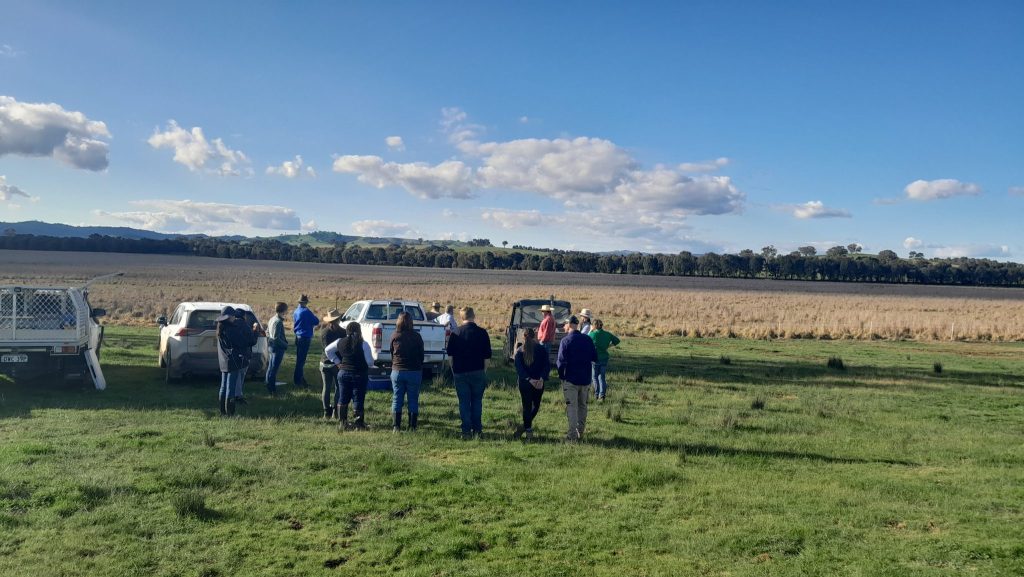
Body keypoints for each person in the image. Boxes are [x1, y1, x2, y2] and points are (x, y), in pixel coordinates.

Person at [445, 306, 492, 439]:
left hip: (460, 372)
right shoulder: (482, 333)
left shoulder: (455, 333)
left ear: (461, 317)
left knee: (464, 402)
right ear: (474, 315)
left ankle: (466, 430)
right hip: (478, 371)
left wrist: (454, 370)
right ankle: (477, 429)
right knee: (477, 401)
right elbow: (487, 357)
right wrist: (484, 370)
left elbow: (450, 357)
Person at [325, 321, 374, 430]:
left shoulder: (340, 341)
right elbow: (370, 362)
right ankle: (359, 424)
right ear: (359, 331)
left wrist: (337, 362)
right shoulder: (363, 344)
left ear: (347, 330)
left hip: (343, 373)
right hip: (359, 374)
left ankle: (343, 423)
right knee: (358, 398)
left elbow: (327, 350)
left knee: (342, 397)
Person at [557, 315, 597, 441]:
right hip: (585, 379)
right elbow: (595, 357)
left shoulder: (565, 341)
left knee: (572, 407)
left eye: (565, 324)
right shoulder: (587, 340)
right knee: (583, 406)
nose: (564, 326)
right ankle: (580, 431)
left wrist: (562, 376)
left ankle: (572, 435)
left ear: (569, 325)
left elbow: (561, 362)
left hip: (571, 379)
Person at [390, 311, 424, 432]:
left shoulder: (395, 335)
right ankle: (412, 426)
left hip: (397, 370)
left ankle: (396, 426)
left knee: (397, 398)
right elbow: (421, 355)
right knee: (413, 399)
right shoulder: (417, 336)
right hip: (414, 371)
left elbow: (391, 353)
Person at [513, 327, 550, 440]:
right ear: (534, 336)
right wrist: (541, 378)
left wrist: (529, 379)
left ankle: (527, 429)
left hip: (525, 382)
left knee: (526, 407)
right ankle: (525, 427)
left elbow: (519, 369)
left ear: (523, 337)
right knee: (536, 405)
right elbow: (546, 366)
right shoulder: (542, 349)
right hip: (539, 382)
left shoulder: (519, 351)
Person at [216, 306, 245, 416]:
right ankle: (230, 413)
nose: (234, 318)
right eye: (233, 316)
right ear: (229, 317)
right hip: (233, 360)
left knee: (223, 387)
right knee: (230, 387)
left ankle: (222, 412)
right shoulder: (232, 329)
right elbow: (241, 342)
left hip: (223, 360)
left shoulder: (220, 328)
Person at [318, 308, 347, 419]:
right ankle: (336, 411)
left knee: (326, 387)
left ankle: (326, 412)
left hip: (324, 362)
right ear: (338, 319)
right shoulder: (343, 332)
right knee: (338, 388)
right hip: (338, 363)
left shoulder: (324, 332)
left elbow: (325, 348)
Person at [588, 319, 620, 401]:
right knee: (602, 377)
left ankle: (596, 394)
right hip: (604, 358)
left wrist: (590, 330)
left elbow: (585, 339)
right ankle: (602, 396)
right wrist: (609, 346)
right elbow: (617, 340)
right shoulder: (607, 334)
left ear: (594, 326)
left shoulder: (592, 334)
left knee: (594, 377)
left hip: (595, 359)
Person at [292, 294, 319, 388]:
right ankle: (298, 380)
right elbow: (316, 321)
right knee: (301, 360)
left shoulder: (295, 311)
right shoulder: (307, 311)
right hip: (305, 337)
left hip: (298, 336)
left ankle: (298, 379)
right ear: (305, 302)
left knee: (299, 359)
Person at [232, 308, 257, 404]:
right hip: (244, 354)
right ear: (243, 316)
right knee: (240, 375)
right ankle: (238, 396)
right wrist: (255, 330)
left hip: (233, 354)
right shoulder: (244, 326)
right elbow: (252, 341)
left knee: (236, 375)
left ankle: (234, 394)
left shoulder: (231, 325)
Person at [265, 302, 288, 395]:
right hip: (277, 348)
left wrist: (270, 341)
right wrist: (285, 345)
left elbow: (267, 332)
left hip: (271, 347)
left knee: (270, 367)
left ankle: (268, 384)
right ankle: (272, 390)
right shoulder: (278, 322)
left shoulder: (272, 319)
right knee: (274, 369)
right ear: (283, 311)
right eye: (286, 309)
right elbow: (276, 338)